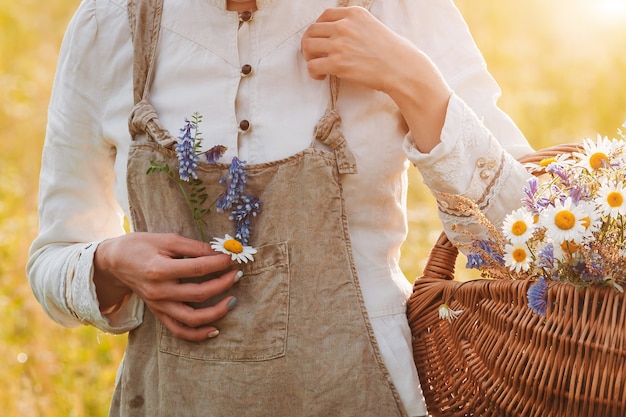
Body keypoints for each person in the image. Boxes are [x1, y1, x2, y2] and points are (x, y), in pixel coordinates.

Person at [27, 0, 534, 416]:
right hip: (172, 400)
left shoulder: (401, 10)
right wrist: (111, 263)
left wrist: (417, 84)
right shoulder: (108, 22)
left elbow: (530, 241)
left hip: (366, 394)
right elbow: (52, 258)